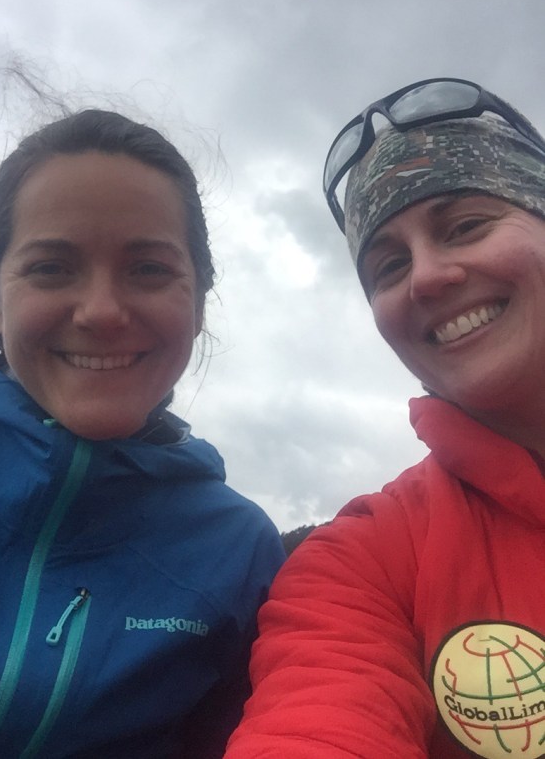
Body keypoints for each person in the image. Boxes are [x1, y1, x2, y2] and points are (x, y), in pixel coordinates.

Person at [0, 107, 285, 758]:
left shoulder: (239, 549)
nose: (101, 312)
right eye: (52, 268)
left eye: (148, 269)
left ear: (199, 300)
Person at [223, 78, 545, 759]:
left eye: (466, 226)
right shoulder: (365, 559)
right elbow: (316, 719)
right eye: (389, 266)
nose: (426, 276)